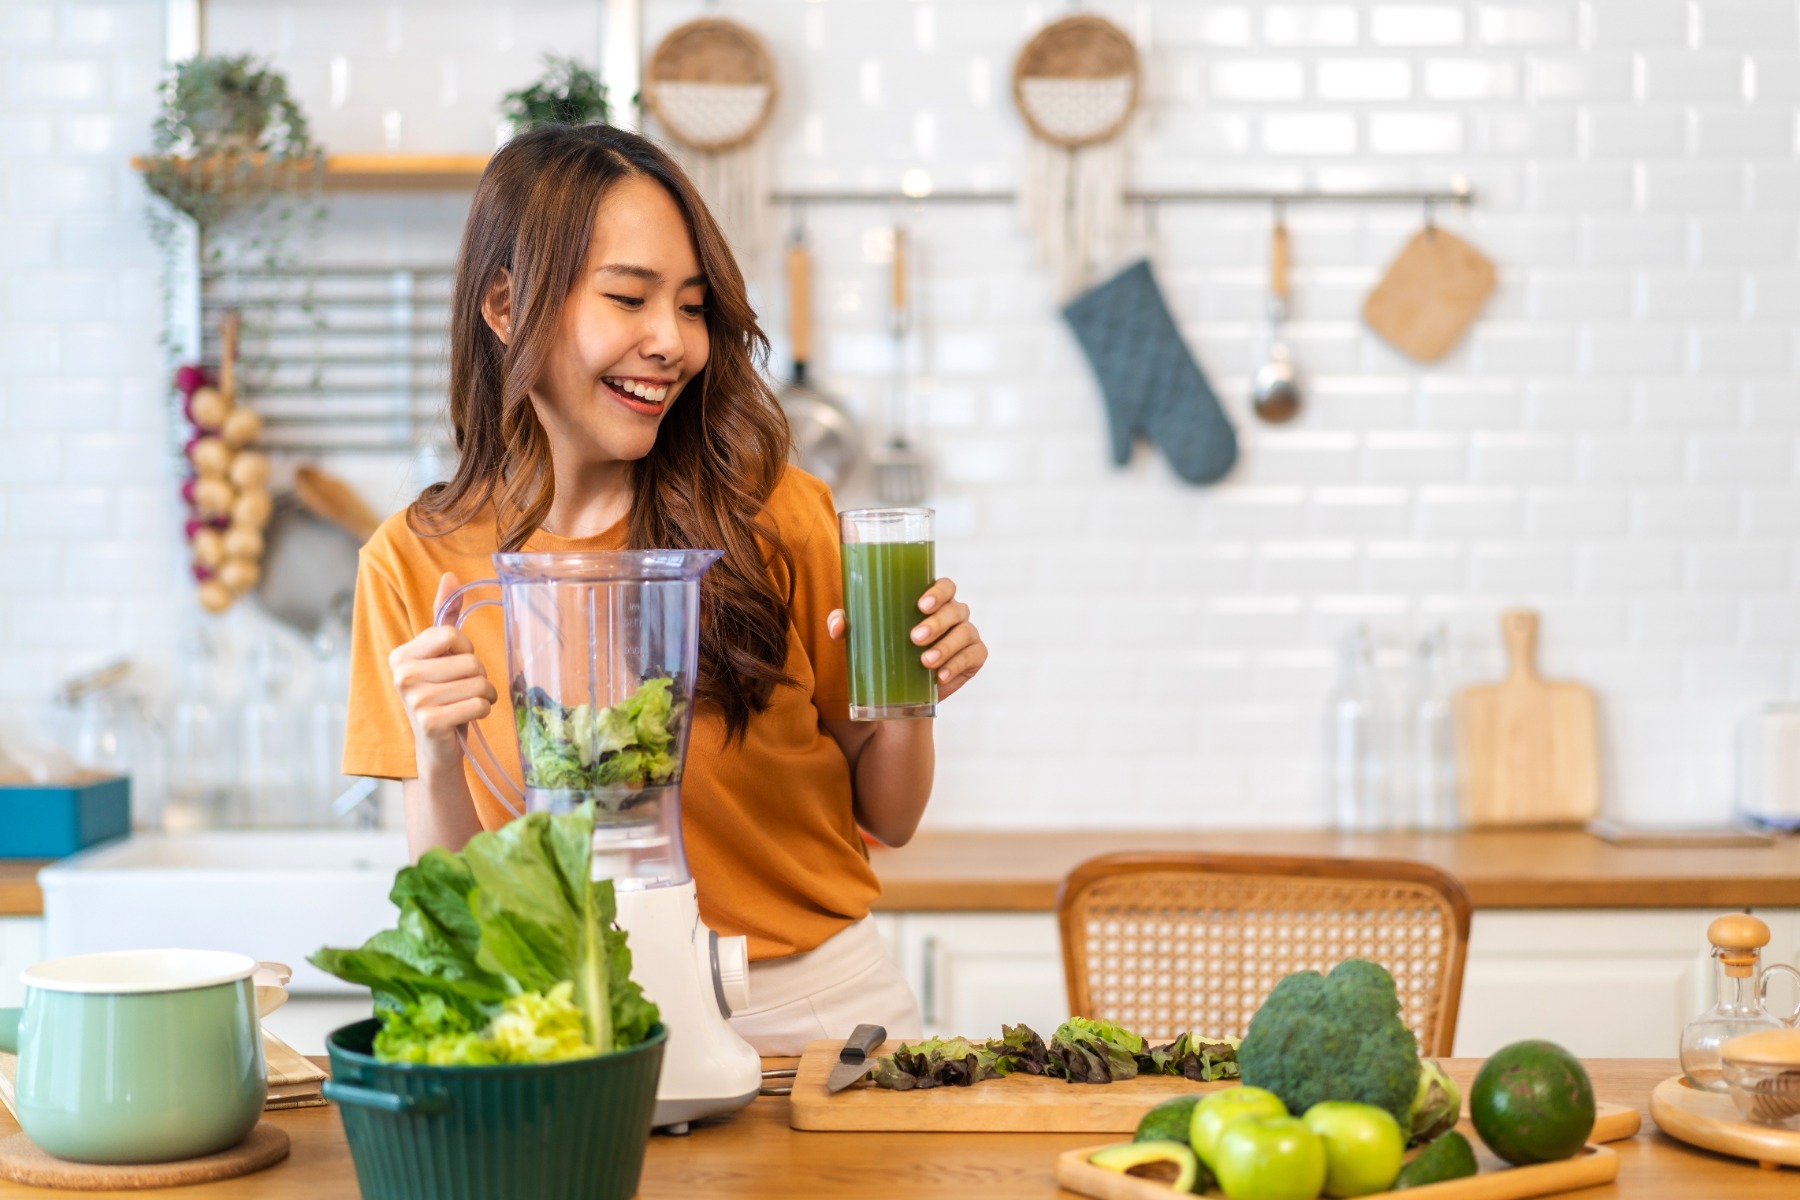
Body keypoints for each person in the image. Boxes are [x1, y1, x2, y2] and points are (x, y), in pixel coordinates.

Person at [342, 124, 987, 1053]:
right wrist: (437, 754)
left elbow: (891, 812)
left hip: (811, 1019)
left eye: (691, 307)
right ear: (504, 303)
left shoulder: (777, 513)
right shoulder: (412, 560)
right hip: (573, 1029)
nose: (673, 343)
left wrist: (916, 687)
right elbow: (453, 887)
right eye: (628, 297)